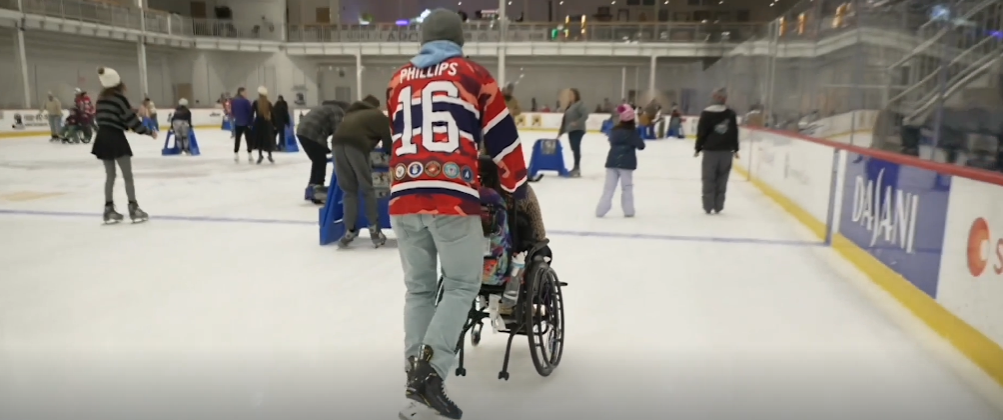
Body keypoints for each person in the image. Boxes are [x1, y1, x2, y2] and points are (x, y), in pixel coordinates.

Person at [388, 9, 528, 420]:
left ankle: (414, 384)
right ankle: (430, 374)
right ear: (459, 39)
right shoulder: (474, 75)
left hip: (403, 194)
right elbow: (503, 138)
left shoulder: (397, 80)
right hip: (451, 197)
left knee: (418, 290)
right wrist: (516, 185)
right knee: (462, 284)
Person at [91, 67, 156, 223]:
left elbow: (108, 116)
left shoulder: (101, 99)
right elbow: (131, 121)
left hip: (102, 138)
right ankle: (134, 208)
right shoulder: (119, 99)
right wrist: (148, 132)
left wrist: (134, 112)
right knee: (127, 176)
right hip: (116, 138)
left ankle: (108, 210)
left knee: (110, 176)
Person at [330, 94, 392, 247]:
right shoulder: (378, 115)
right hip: (356, 147)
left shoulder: (350, 114)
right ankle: (374, 230)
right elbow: (387, 141)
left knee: (349, 191)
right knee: (367, 188)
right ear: (376, 106)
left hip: (337, 145)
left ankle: (349, 230)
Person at [695, 87, 739, 215]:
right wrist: (735, 148)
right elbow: (733, 132)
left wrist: (698, 147)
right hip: (726, 151)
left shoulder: (706, 113)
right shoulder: (730, 114)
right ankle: (718, 205)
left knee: (708, 178)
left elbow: (702, 133)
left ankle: (708, 205)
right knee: (722, 178)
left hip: (710, 151)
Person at [596, 104, 645, 218]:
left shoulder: (614, 131)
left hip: (612, 161)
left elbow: (611, 141)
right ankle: (628, 211)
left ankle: (601, 210)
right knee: (627, 187)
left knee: (608, 188)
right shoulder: (632, 133)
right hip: (626, 164)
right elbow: (641, 146)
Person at [558, 87, 587, 177]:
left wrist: (577, 122)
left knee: (576, 147)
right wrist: (560, 132)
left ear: (576, 95)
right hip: (570, 130)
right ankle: (575, 167)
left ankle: (577, 168)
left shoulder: (580, 104)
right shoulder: (570, 105)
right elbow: (565, 120)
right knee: (574, 148)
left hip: (578, 130)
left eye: (571, 94)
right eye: (569, 94)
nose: (570, 96)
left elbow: (585, 115)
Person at [250, 86, 275, 164]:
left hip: (258, 123)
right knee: (268, 139)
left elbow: (251, 113)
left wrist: (250, 123)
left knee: (259, 139)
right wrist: (274, 124)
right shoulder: (268, 103)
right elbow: (273, 114)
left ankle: (260, 155)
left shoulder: (255, 103)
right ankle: (270, 155)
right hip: (267, 123)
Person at [231, 87, 254, 162]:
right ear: (241, 92)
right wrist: (251, 122)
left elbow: (233, 112)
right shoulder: (246, 102)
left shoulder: (234, 101)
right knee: (248, 139)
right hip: (246, 123)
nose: (246, 93)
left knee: (237, 139)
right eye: (245, 92)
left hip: (238, 123)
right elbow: (250, 112)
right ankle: (250, 154)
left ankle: (236, 154)